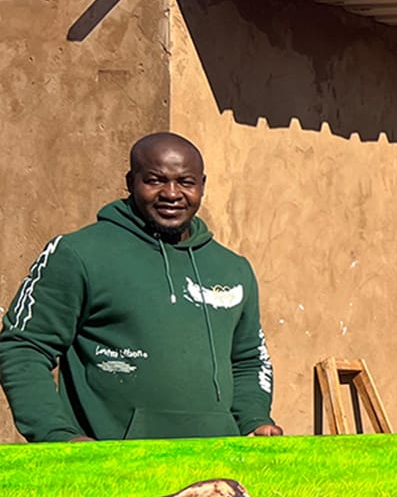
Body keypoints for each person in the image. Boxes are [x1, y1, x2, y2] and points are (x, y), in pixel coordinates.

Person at [0, 132, 280, 442]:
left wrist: (254, 420)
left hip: (218, 462)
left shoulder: (233, 269)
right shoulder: (79, 254)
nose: (171, 194)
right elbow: (22, 346)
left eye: (186, 182)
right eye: (155, 180)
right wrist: (57, 436)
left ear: (202, 185)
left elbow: (249, 359)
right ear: (131, 181)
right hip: (112, 465)